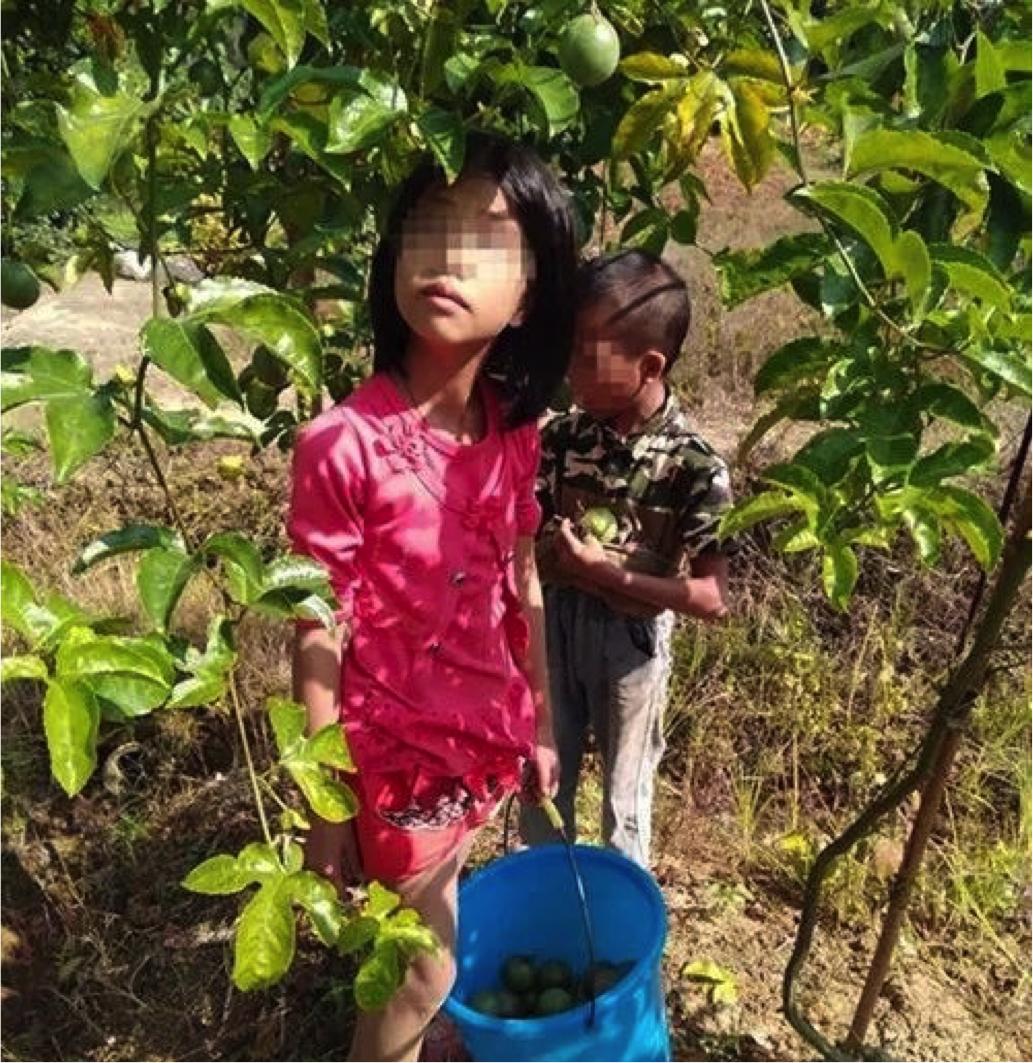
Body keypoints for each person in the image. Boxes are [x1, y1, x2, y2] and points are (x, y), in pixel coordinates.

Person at [287, 134, 577, 1061]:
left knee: (410, 949)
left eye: (485, 240)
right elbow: (316, 621)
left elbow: (518, 575)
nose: (448, 258)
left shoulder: (514, 432)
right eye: (427, 230)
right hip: (391, 763)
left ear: (530, 292)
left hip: (475, 742)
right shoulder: (343, 445)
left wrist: (536, 717)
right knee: (425, 971)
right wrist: (324, 798)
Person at [520, 249, 733, 867]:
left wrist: (604, 573)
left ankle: (616, 943)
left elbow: (713, 599)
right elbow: (516, 532)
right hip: (553, 628)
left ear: (649, 366)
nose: (572, 367)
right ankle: (543, 910)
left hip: (630, 647)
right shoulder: (563, 437)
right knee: (542, 785)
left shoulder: (693, 466)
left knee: (624, 804)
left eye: (589, 355)